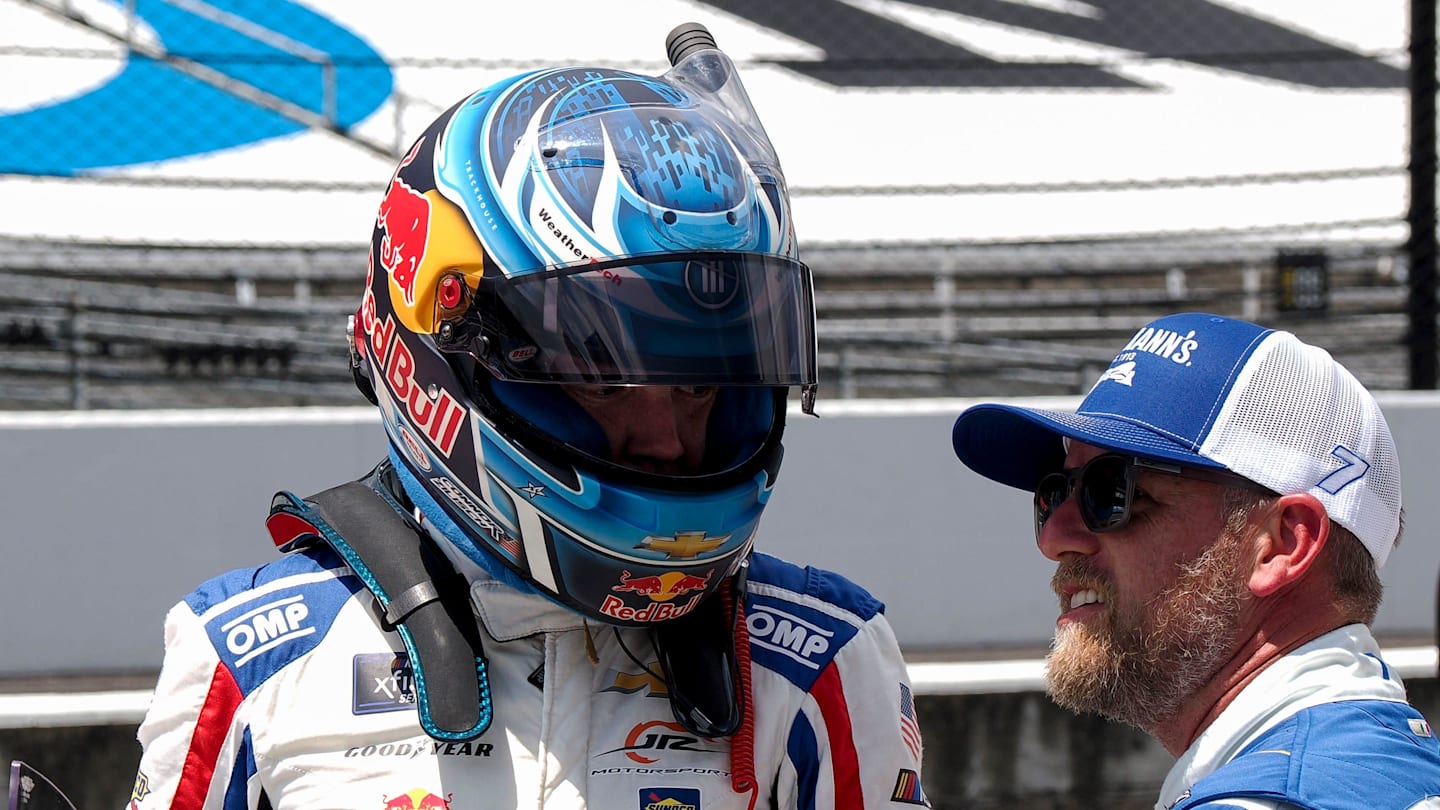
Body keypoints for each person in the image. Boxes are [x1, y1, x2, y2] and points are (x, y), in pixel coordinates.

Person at [127, 24, 928, 810]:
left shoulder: (820, 661)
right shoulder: (250, 661)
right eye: (606, 385)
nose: (666, 442)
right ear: (440, 355)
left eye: (698, 389)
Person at [950, 312, 1440, 810]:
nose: (1055, 538)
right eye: (1055, 492)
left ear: (1281, 545)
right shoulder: (1390, 760)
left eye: (1113, 491)